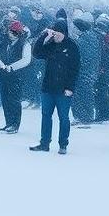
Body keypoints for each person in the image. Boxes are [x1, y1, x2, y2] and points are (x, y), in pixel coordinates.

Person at [30, 21, 80, 154]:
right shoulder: (51, 45)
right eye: (54, 33)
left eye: (58, 33)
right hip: (48, 87)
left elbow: (75, 69)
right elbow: (36, 53)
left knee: (63, 117)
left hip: (64, 90)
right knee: (46, 116)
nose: (56, 36)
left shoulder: (72, 47)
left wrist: (70, 88)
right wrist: (43, 37)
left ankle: (63, 144)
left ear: (64, 33)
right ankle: (44, 143)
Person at [0, 20, 32, 133]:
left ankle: (15, 124)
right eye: (10, 32)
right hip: (3, 74)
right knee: (5, 99)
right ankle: (8, 122)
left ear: (19, 33)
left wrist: (12, 67)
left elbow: (26, 60)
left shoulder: (25, 44)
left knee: (14, 100)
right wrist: (0, 64)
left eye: (14, 32)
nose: (10, 34)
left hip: (17, 76)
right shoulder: (4, 42)